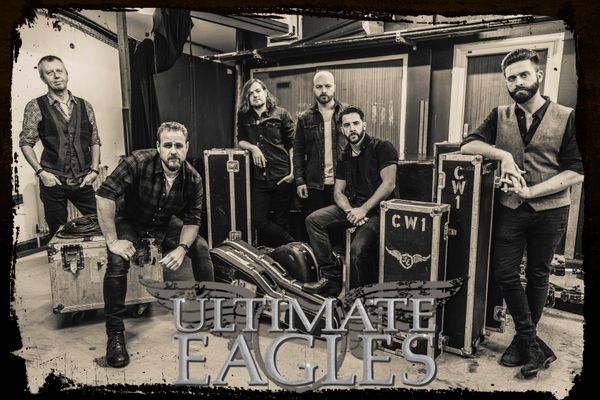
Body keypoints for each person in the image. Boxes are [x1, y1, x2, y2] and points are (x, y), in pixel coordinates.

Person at [461, 48, 584, 378]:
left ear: (538, 76)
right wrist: (502, 154)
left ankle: (521, 340)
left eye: (524, 75)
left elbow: (577, 171)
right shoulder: (499, 115)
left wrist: (531, 191)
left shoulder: (567, 116)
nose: (518, 82)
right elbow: (468, 144)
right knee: (505, 273)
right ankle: (531, 342)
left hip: (551, 209)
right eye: (511, 78)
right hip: (511, 209)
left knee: (538, 274)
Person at [96, 121, 214, 368]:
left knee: (201, 248)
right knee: (117, 262)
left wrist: (182, 248)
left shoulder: (193, 178)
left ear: (187, 147)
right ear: (158, 147)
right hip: (130, 220)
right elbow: (105, 194)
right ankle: (115, 334)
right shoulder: (137, 162)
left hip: (162, 223)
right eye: (167, 145)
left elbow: (193, 220)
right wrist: (113, 241)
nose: (173, 151)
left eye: (179, 146)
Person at [302, 106, 398, 296]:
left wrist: (363, 210)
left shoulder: (382, 147)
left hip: (380, 211)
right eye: (347, 125)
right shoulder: (344, 156)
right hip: (354, 208)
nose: (352, 128)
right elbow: (338, 192)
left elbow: (389, 184)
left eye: (356, 123)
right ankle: (332, 277)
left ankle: (367, 296)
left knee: (357, 250)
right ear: (342, 129)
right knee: (313, 220)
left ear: (364, 125)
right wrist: (350, 211)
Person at [19, 55, 101, 237]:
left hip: (83, 180)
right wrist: (41, 173)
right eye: (49, 73)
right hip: (53, 182)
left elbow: (95, 140)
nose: (56, 76)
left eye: (59, 71)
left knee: (101, 223)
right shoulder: (35, 106)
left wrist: (95, 170)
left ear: (66, 74)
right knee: (58, 234)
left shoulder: (85, 105)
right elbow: (26, 143)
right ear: (43, 78)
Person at [237, 79, 296, 246]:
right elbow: (240, 140)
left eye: (258, 91)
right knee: (257, 220)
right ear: (247, 98)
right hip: (259, 178)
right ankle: (293, 243)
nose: (255, 95)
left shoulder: (281, 114)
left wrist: (293, 173)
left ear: (265, 92)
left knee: (281, 220)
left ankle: (284, 255)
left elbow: (293, 145)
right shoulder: (243, 116)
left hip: (282, 176)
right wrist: (253, 148)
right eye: (250, 93)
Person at [293, 70, 347, 215]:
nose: (323, 90)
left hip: (343, 183)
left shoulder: (346, 114)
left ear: (334, 87)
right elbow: (298, 152)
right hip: (314, 185)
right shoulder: (304, 118)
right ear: (313, 89)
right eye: (319, 86)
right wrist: (299, 181)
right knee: (315, 223)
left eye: (328, 86)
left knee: (342, 225)